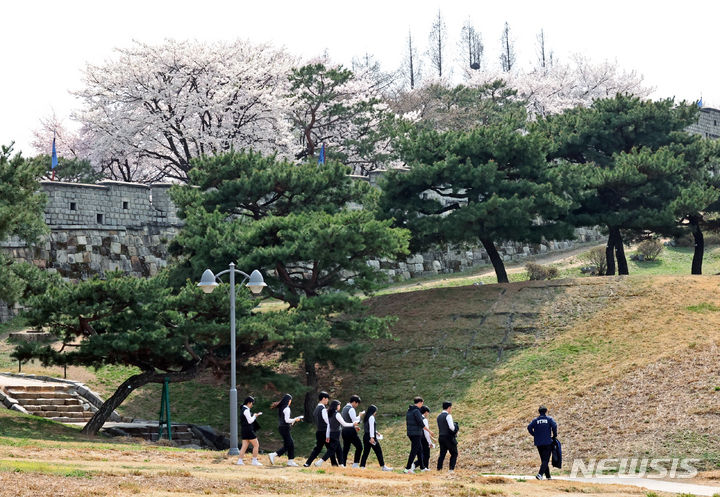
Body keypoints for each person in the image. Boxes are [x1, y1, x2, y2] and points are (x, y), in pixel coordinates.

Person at [315, 399, 357, 467]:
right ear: (336, 406)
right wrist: (353, 424)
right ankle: (319, 462)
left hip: (331, 434)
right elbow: (344, 424)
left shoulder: (329, 414)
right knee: (331, 450)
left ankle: (341, 465)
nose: (340, 407)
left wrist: (327, 436)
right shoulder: (337, 414)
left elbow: (328, 426)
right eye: (339, 405)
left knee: (339, 450)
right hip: (335, 434)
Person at [268, 394, 303, 466]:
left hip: (282, 427)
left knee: (290, 444)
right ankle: (274, 454)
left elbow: (285, 420)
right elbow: (287, 420)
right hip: (284, 428)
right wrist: (295, 419)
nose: (291, 402)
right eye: (290, 400)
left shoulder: (282, 407)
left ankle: (290, 461)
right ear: (289, 401)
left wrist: (294, 420)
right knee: (289, 444)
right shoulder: (287, 408)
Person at [527, 405, 558, 480]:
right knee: (545, 460)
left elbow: (529, 427)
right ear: (546, 411)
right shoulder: (549, 419)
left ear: (539, 412)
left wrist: (534, 435)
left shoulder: (535, 420)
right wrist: (554, 434)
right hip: (547, 442)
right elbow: (554, 425)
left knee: (543, 459)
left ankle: (548, 476)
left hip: (539, 443)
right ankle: (540, 474)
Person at [304, 391, 334, 467]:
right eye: (327, 399)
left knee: (318, 449)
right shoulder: (323, 409)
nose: (328, 401)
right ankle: (333, 464)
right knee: (332, 448)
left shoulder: (316, 408)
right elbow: (327, 421)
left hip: (319, 431)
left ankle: (307, 463)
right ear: (323, 398)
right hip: (325, 431)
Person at [359, 404, 393, 471]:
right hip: (371, 437)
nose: (375, 412)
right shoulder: (371, 417)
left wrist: (376, 432)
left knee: (366, 452)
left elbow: (370, 427)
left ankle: (362, 466)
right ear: (373, 411)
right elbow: (371, 428)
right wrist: (372, 437)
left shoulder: (366, 417)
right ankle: (383, 466)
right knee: (378, 451)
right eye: (375, 411)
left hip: (366, 436)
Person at [404, 396, 433, 474]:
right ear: (419, 403)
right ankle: (407, 468)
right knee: (414, 451)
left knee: (419, 450)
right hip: (416, 433)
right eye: (422, 403)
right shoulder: (416, 411)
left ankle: (423, 468)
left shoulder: (409, 410)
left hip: (410, 433)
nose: (422, 405)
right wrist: (429, 431)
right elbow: (421, 423)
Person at [236, 396, 263, 466]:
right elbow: (250, 421)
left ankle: (240, 461)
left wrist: (254, 415)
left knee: (244, 446)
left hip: (244, 430)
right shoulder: (246, 410)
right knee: (256, 445)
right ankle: (254, 461)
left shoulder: (243, 409)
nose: (252, 405)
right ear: (248, 403)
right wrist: (255, 416)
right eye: (252, 403)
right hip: (249, 430)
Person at [341, 395, 364, 468]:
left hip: (344, 430)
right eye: (357, 403)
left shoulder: (344, 408)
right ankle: (355, 464)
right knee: (359, 447)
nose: (357, 405)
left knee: (346, 448)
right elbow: (355, 421)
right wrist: (360, 416)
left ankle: (343, 464)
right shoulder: (351, 409)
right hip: (350, 431)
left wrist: (355, 426)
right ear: (354, 402)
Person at [436, 401, 459, 473]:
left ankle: (439, 469)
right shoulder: (448, 416)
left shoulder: (438, 416)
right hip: (448, 437)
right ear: (449, 408)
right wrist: (456, 429)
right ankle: (451, 469)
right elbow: (451, 427)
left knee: (442, 454)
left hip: (441, 436)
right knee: (454, 453)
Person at [412, 405, 434, 471]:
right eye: (428, 413)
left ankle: (424, 467)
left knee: (421, 453)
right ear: (426, 412)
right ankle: (416, 465)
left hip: (417, 438)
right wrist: (430, 442)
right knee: (426, 454)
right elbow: (426, 432)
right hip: (424, 439)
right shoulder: (424, 420)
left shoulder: (417, 418)